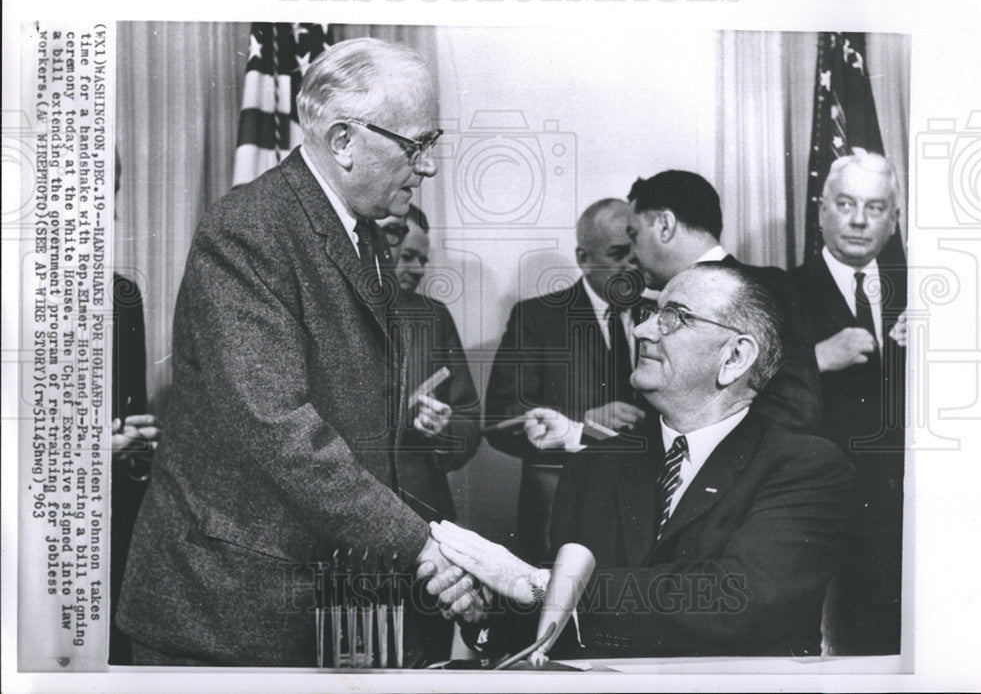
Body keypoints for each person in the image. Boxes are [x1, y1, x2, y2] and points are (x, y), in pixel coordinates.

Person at [117, 38, 472, 666]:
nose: (429, 167)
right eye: (416, 145)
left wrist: (437, 546)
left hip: (317, 604)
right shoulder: (249, 230)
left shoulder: (361, 236)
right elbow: (278, 428)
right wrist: (423, 547)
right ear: (342, 140)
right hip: (223, 615)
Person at [430, 263, 856, 658]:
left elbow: (741, 598)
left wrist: (542, 587)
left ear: (734, 358)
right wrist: (491, 610)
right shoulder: (596, 464)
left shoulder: (805, 467)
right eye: (651, 312)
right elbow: (560, 627)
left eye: (674, 317)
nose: (642, 330)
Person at [485, 199, 649, 563]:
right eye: (618, 254)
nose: (631, 266)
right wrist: (584, 421)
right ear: (584, 257)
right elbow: (500, 418)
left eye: (636, 255)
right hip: (562, 517)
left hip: (647, 513)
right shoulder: (537, 318)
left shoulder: (660, 312)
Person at [791, 149, 906, 656]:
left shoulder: (927, 292)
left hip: (905, 510)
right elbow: (741, 391)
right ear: (821, 211)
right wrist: (813, 358)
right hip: (816, 510)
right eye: (845, 204)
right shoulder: (782, 291)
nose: (859, 221)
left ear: (893, 219)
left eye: (875, 208)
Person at [624, 170, 822, 434]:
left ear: (665, 226)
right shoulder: (653, 304)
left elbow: (796, 409)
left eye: (634, 234)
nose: (631, 256)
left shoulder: (769, 287)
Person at [377, 204, 482, 522]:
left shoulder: (434, 316)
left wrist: (443, 430)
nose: (417, 269)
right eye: (407, 256)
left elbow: (468, 421)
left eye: (422, 260)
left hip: (419, 504)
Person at [109, 152, 161, 665]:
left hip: (117, 516)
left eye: (113, 190)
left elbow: (133, 408)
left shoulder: (124, 297)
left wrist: (138, 443)